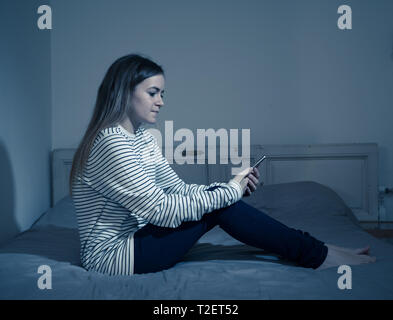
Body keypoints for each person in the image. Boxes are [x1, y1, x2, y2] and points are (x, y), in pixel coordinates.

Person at [69, 53, 376, 276]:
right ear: (124, 92)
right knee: (220, 204)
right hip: (114, 257)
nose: (161, 101)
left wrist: (230, 188)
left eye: (162, 94)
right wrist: (228, 194)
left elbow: (177, 190)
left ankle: (316, 248)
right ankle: (318, 254)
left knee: (219, 199)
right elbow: (162, 210)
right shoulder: (110, 142)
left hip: (137, 239)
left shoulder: (143, 138)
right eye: (153, 93)